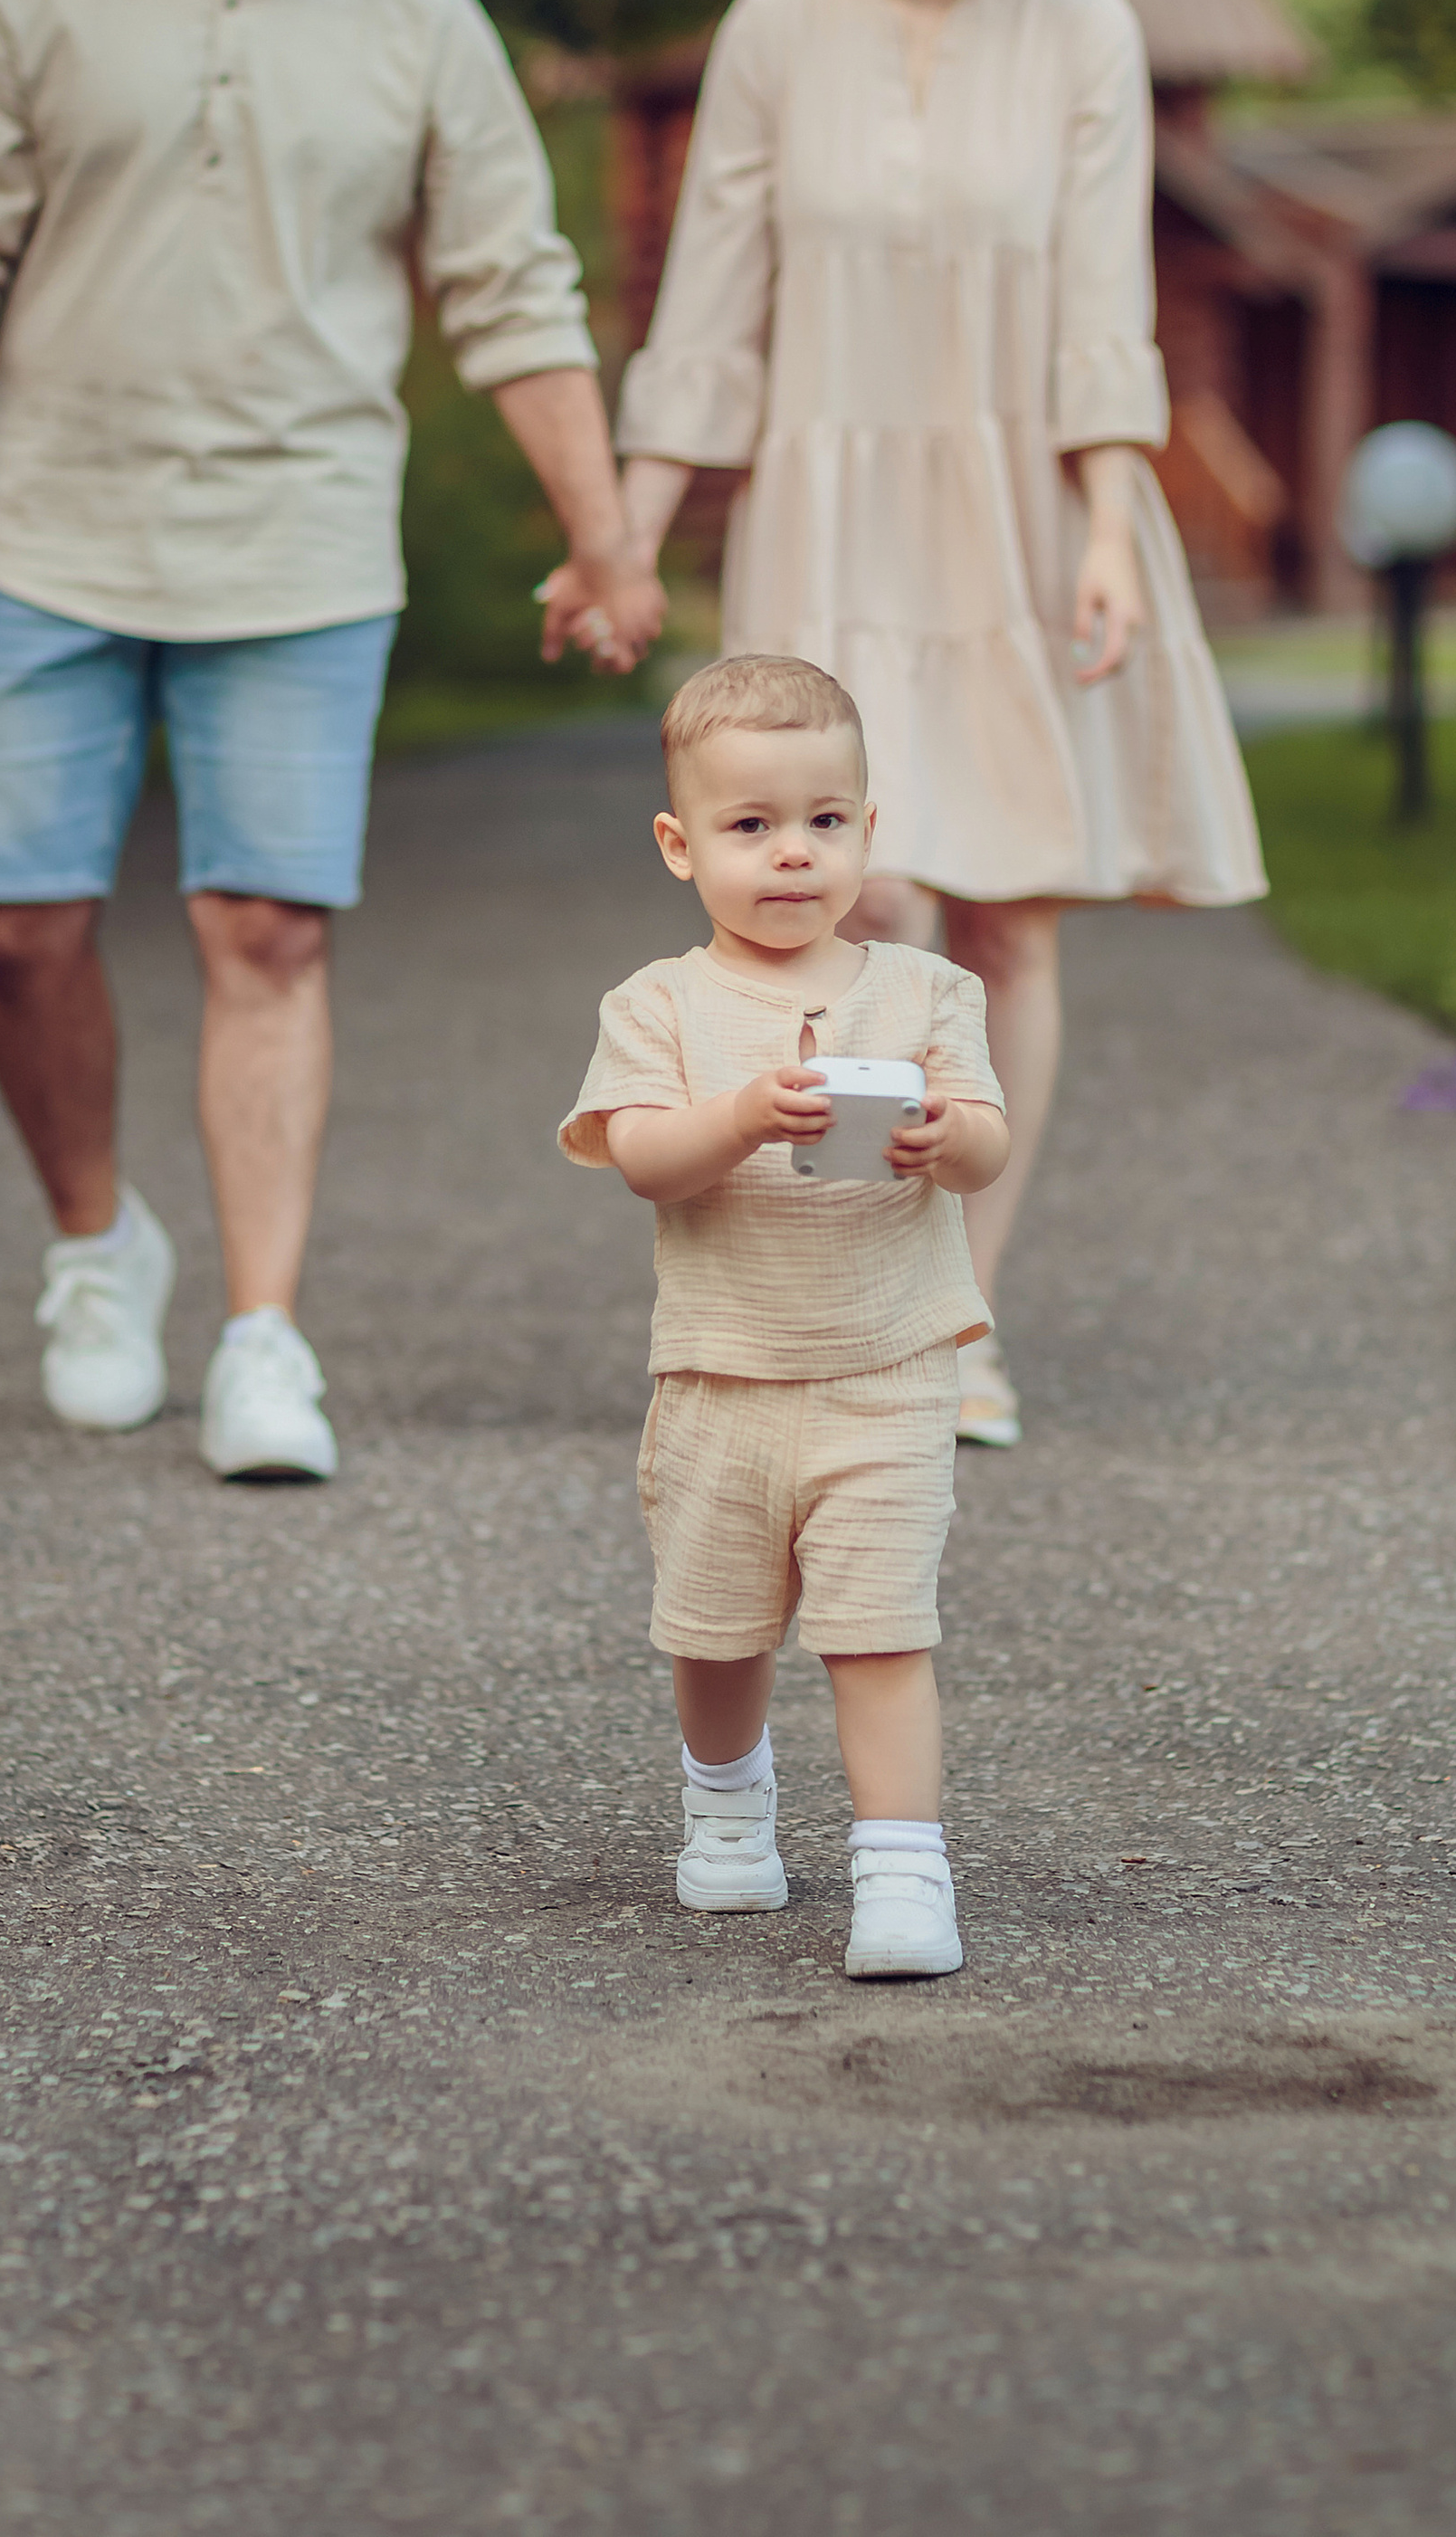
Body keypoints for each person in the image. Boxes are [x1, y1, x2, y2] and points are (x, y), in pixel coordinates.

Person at [0, 0, 665, 1483]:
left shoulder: (422, 22)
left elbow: (511, 288)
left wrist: (605, 534)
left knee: (266, 929)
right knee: (12, 928)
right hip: (47, 527)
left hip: (300, 540)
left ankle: (260, 1339)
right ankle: (95, 1246)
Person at [613, 0, 1263, 1450]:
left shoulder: (1086, 30)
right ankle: (850, 1303)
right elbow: (708, 310)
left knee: (1005, 918)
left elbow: (1104, 300)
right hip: (826, 515)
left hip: (1021, 511)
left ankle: (960, 1319)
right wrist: (628, 531)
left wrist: (1113, 525)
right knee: (861, 905)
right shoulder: (773, 32)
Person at [561, 653, 1008, 1979]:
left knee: (881, 1628)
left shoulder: (929, 991)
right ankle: (726, 1801)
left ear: (869, 830)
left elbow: (988, 1143)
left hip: (890, 1369)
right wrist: (746, 1115)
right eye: (750, 825)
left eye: (824, 820)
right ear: (680, 846)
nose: (793, 852)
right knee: (716, 1630)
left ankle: (903, 1870)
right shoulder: (657, 1003)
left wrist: (943, 1137)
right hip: (723, 1375)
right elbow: (644, 1158)